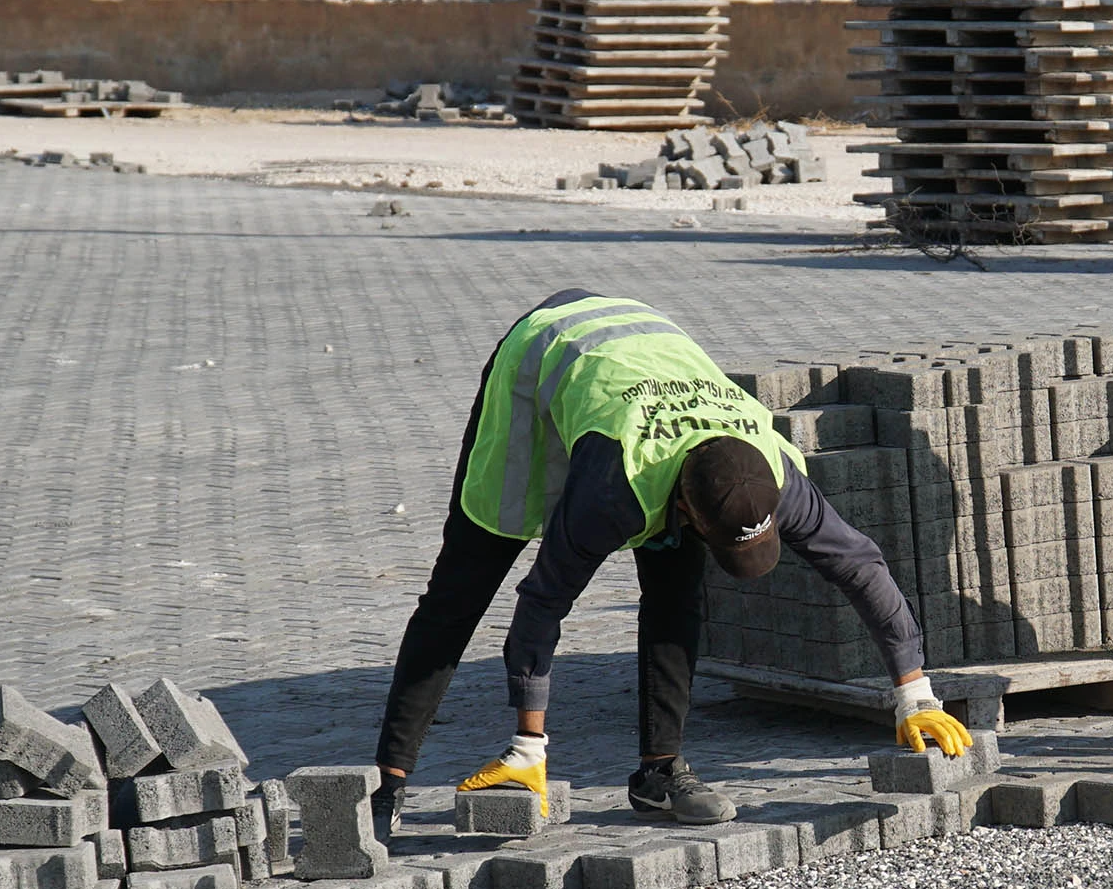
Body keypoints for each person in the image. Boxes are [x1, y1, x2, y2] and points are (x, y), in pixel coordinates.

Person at [372, 290, 969, 835]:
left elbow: (861, 564)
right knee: (464, 586)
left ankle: (659, 773)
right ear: (685, 503)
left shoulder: (772, 469)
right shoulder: (615, 487)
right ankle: (386, 784)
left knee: (677, 587)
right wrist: (530, 741)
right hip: (544, 353)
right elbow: (541, 602)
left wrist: (914, 691)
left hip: (652, 360)